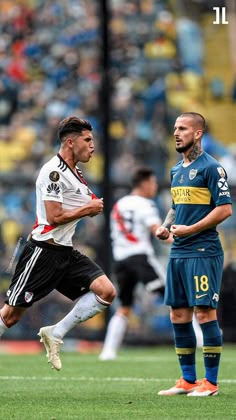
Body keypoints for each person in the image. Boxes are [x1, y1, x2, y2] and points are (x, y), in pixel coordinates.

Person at [0, 116, 116, 370]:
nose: (92, 145)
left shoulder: (76, 172)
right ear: (71, 142)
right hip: (42, 251)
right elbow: (53, 217)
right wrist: (88, 209)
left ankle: (56, 332)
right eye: (87, 140)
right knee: (10, 316)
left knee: (106, 291)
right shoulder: (54, 172)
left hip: (65, 252)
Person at [156, 112, 232, 397]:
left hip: (203, 250)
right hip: (179, 250)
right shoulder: (177, 170)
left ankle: (210, 383)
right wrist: (166, 228)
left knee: (204, 312)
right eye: (175, 128)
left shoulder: (212, 168)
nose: (176, 133)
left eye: (183, 128)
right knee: (178, 313)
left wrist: (191, 229)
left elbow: (225, 209)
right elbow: (177, 206)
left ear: (198, 133)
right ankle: (188, 380)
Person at [99, 167, 172, 361]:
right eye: (154, 183)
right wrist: (184, 239)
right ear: (146, 183)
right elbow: (159, 233)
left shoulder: (119, 204)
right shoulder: (145, 205)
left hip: (121, 259)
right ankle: (198, 340)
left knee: (124, 305)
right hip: (140, 258)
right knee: (174, 296)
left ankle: (108, 351)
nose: (155, 186)